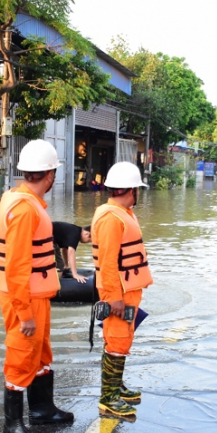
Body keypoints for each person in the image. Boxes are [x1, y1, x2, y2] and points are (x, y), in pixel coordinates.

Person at [0, 139, 73, 433]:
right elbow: (15, 267)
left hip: (34, 295)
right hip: (24, 298)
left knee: (39, 353)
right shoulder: (25, 210)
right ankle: (12, 423)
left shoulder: (18, 199)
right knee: (21, 354)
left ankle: (42, 409)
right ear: (50, 174)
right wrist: (24, 312)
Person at [91, 161, 153, 419]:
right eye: (137, 189)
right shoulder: (111, 218)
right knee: (116, 341)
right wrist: (114, 297)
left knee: (123, 339)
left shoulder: (123, 213)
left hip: (129, 288)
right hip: (119, 292)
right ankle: (109, 398)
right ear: (131, 189)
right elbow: (107, 262)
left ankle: (116, 387)